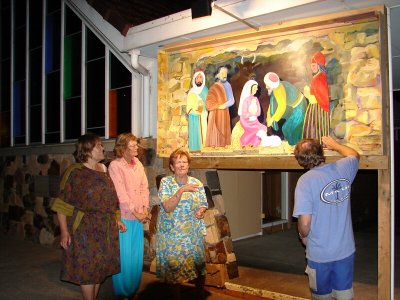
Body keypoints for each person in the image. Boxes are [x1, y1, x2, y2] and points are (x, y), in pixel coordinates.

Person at [51, 133, 127, 300]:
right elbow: (62, 204)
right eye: (99, 145)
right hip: (84, 228)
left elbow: (111, 199)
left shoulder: (104, 169)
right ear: (88, 150)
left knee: (99, 268)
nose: (103, 148)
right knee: (87, 268)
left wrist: (117, 219)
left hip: (105, 228)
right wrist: (64, 232)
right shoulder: (74, 172)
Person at [293, 136, 360, 300]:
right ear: (322, 152)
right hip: (345, 250)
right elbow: (354, 155)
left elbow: (305, 222)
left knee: (321, 296)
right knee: (344, 295)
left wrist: (303, 236)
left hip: (320, 254)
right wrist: (336, 145)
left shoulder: (305, 182)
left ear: (301, 161)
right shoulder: (344, 168)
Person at [156, 148, 208, 300]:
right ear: (172, 166)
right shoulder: (166, 182)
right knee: (174, 268)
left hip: (192, 233)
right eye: (178, 162)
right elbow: (167, 207)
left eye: (184, 162)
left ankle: (199, 295)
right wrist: (181, 191)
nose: (181, 165)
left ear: (188, 165)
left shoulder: (196, 183)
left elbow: (203, 203)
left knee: (198, 265)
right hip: (172, 234)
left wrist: (201, 211)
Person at [108, 133, 150, 299]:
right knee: (124, 256)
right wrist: (135, 212)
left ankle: (133, 289)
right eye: (132, 146)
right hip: (126, 216)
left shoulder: (138, 163)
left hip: (139, 215)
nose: (136, 148)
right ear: (122, 148)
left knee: (136, 256)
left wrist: (145, 208)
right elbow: (120, 194)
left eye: (136, 145)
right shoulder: (115, 166)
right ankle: (122, 292)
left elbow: (144, 187)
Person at [263, 72, 307, 146]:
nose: (266, 86)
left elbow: (281, 107)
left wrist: (273, 119)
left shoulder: (278, 90)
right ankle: (292, 145)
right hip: (295, 107)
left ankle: (296, 146)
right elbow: (272, 104)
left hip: (299, 107)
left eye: (267, 84)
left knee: (292, 128)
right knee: (287, 128)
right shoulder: (278, 86)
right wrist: (269, 116)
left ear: (271, 84)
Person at [238, 79, 281, 147]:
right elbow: (244, 114)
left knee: (262, 128)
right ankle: (244, 142)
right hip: (246, 121)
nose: (256, 89)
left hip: (254, 121)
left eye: (256, 88)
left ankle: (254, 144)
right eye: (254, 88)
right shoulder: (246, 100)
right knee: (255, 129)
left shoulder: (255, 99)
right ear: (250, 89)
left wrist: (255, 113)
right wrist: (251, 113)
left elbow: (258, 112)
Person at [302, 52, 330, 143]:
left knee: (315, 127)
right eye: (311, 65)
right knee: (313, 128)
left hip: (318, 108)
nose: (312, 67)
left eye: (314, 65)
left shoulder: (320, 77)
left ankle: (317, 145)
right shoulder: (318, 77)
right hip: (315, 106)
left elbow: (321, 95)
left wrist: (308, 95)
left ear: (319, 65)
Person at [205, 66, 235, 147]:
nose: (224, 74)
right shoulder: (214, 87)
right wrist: (218, 106)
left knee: (224, 134)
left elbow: (232, 100)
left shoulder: (228, 85)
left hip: (224, 112)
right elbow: (208, 102)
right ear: (217, 75)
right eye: (222, 73)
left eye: (225, 73)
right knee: (215, 137)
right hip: (215, 113)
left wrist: (223, 105)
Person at [186, 70, 209, 151]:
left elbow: (208, 103)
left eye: (201, 77)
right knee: (195, 133)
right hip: (193, 116)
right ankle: (194, 150)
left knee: (204, 132)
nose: (199, 79)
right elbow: (188, 106)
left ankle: (204, 149)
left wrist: (202, 108)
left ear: (203, 79)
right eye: (197, 77)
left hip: (203, 115)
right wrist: (194, 111)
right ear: (195, 79)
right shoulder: (191, 91)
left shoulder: (205, 90)